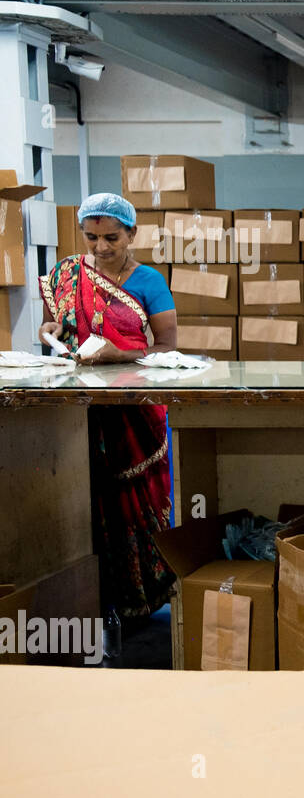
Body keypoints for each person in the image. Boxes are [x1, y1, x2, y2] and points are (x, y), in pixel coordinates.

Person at [38, 193, 179, 624]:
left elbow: (169, 347)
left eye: (111, 237)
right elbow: (54, 324)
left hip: (133, 409)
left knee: (133, 501)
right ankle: (93, 604)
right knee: (89, 498)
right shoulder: (67, 275)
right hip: (81, 408)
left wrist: (118, 355)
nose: (100, 247)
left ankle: (142, 599)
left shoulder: (149, 282)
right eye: (91, 237)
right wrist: (50, 329)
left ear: (132, 234)